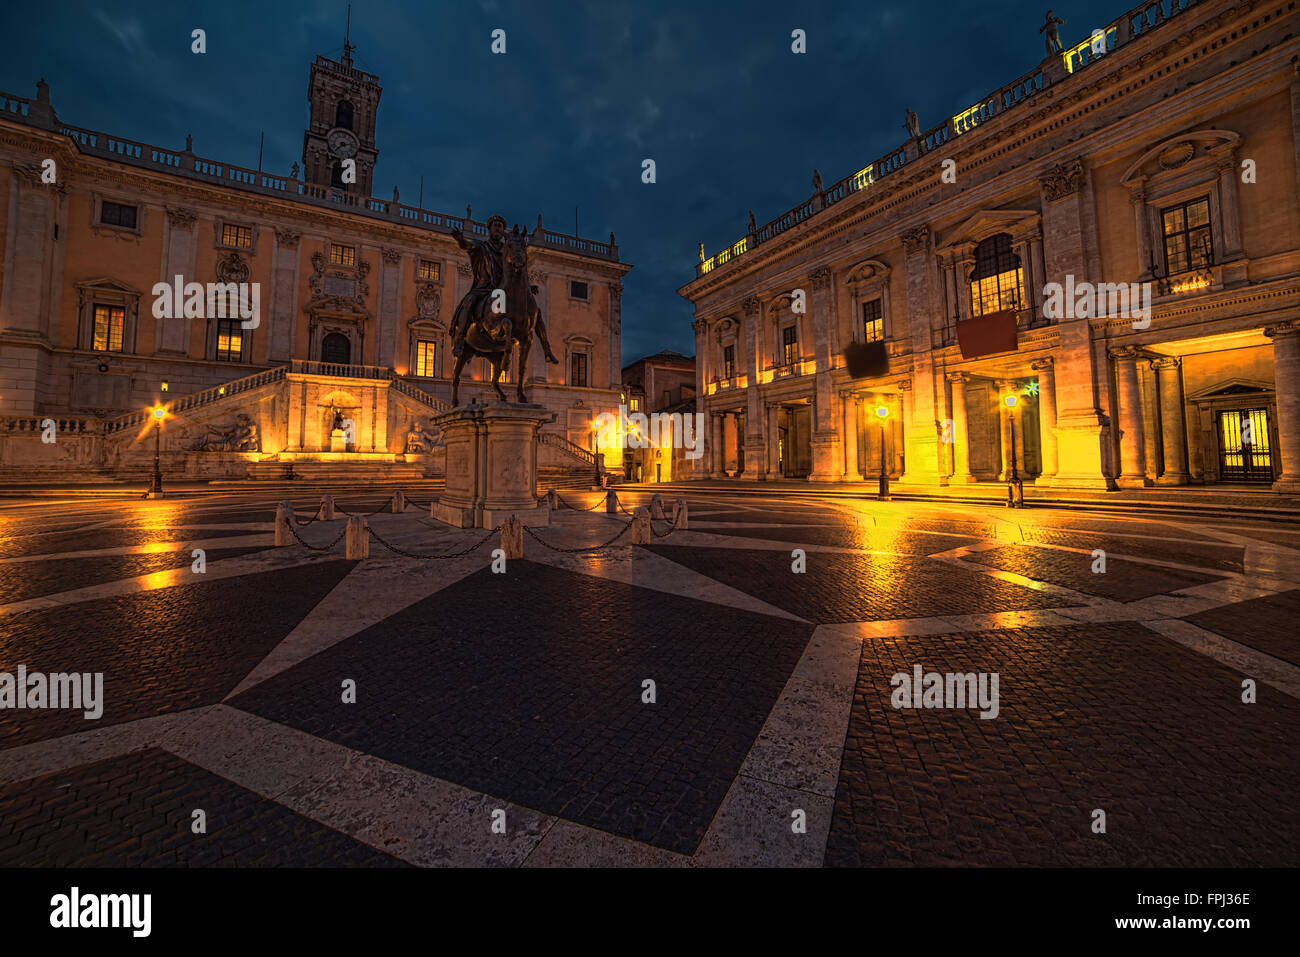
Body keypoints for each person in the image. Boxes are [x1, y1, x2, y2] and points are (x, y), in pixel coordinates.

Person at [449, 214, 508, 361]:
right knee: (468, 302)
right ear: (489, 229)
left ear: (503, 231)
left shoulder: (507, 252)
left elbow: (516, 271)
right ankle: (461, 338)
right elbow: (468, 245)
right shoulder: (482, 246)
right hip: (482, 288)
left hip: (499, 290)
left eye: (500, 226)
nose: (498, 229)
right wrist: (461, 240)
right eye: (495, 225)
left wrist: (528, 286)